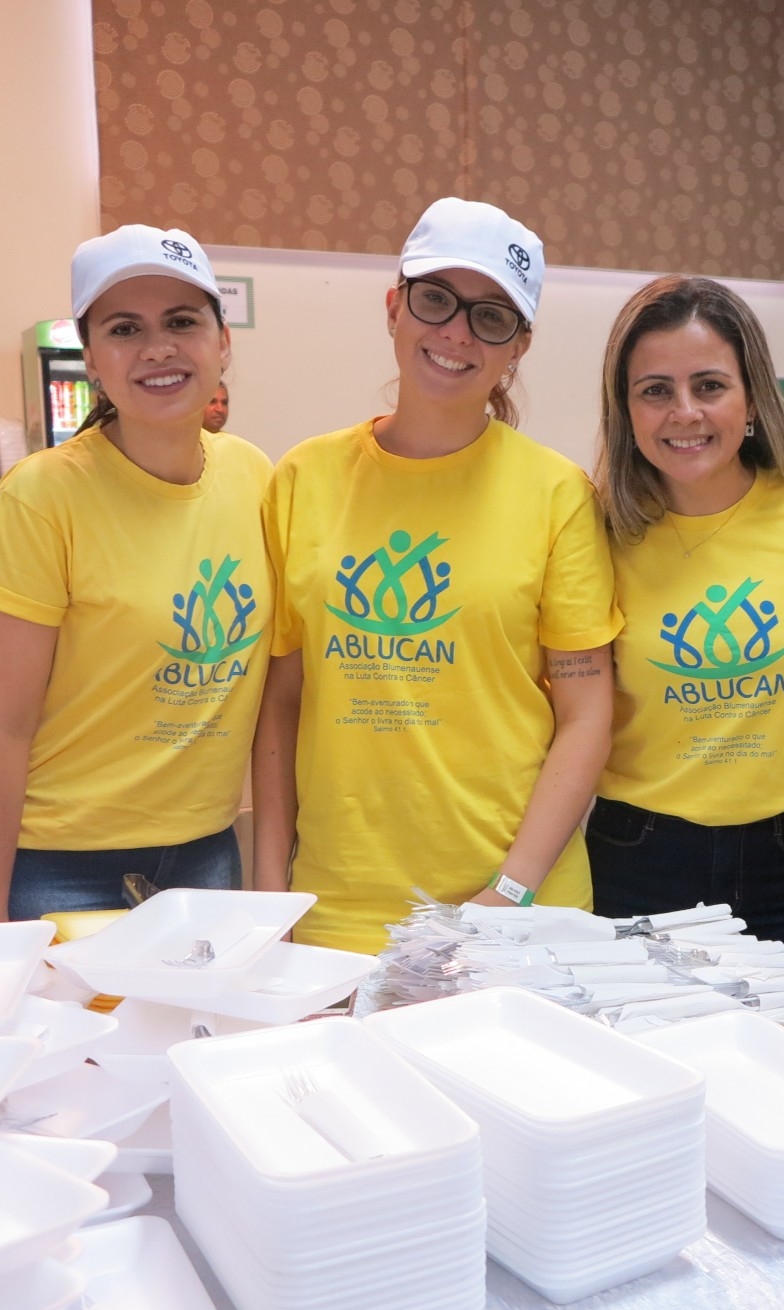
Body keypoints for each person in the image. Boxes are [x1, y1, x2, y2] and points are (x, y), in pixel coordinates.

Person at [252, 198, 619, 951]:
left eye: (491, 317)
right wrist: (267, 898)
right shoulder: (303, 479)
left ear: (519, 345)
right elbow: (281, 703)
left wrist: (509, 891)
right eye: (436, 300)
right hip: (338, 908)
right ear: (395, 307)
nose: (456, 332)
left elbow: (587, 715)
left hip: (516, 908)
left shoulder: (557, 494)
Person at [0, 226, 272, 922]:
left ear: (223, 341)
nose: (157, 348)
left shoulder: (256, 477)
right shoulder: (42, 498)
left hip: (204, 853)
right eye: (125, 329)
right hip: (48, 861)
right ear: (91, 359)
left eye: (182, 322)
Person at [588, 276, 784, 975]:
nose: (684, 412)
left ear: (751, 398)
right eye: (655, 390)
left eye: (710, 385)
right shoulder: (597, 532)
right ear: (626, 409)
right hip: (639, 854)